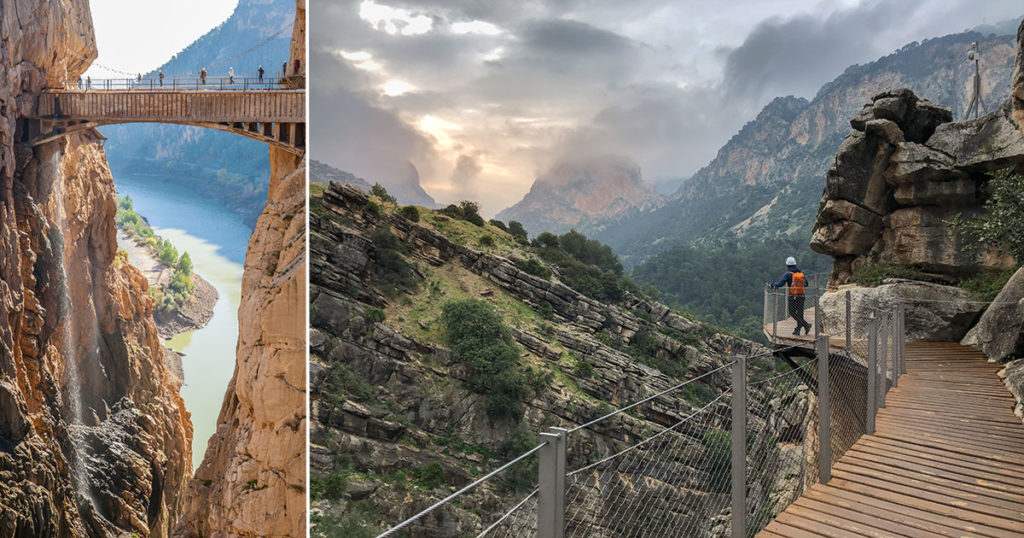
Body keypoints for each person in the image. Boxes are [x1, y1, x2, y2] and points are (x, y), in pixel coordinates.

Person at [768, 256, 812, 336]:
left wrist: (773, 285)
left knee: (792, 312)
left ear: (787, 265)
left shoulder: (787, 274)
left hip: (792, 296)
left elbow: (780, 284)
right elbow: (806, 284)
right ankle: (799, 329)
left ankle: (805, 325)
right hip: (801, 295)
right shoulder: (800, 274)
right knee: (800, 313)